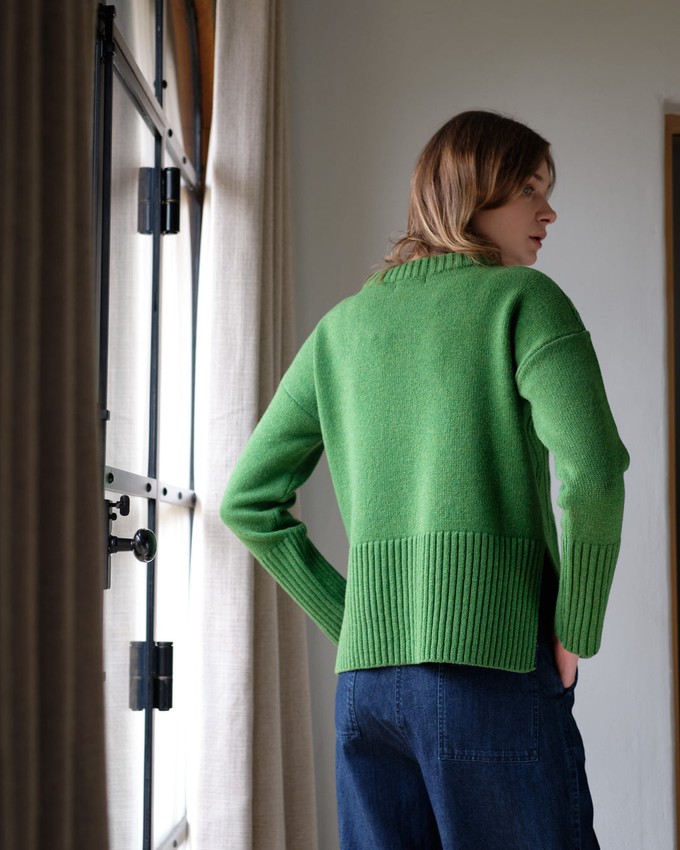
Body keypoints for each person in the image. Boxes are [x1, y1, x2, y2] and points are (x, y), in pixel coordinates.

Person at [220, 110, 629, 850]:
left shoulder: (341, 330)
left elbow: (247, 501)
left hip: (368, 693)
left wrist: (357, 621)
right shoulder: (524, 300)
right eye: (529, 189)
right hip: (493, 670)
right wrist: (576, 628)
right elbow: (594, 471)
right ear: (473, 190)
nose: (549, 211)